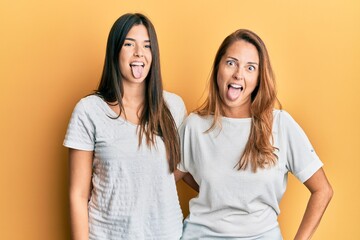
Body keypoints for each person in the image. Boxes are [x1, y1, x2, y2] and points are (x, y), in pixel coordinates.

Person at [176, 29, 333, 239]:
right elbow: (163, 180)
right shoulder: (194, 126)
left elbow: (323, 190)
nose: (238, 74)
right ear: (218, 68)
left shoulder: (280, 125)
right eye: (231, 62)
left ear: (259, 78)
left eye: (250, 68)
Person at [64, 13, 187, 240]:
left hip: (166, 233)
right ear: (115, 51)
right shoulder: (89, 110)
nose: (139, 52)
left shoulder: (174, 107)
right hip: (106, 234)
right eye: (129, 44)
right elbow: (78, 195)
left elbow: (179, 168)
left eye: (147, 46)